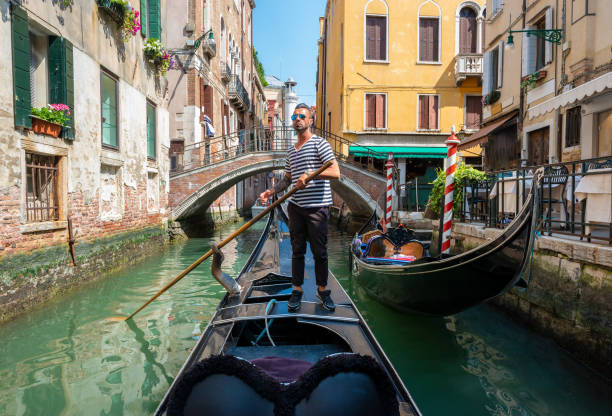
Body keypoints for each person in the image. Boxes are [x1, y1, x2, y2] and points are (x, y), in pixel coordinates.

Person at [260, 103, 340, 312]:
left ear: (310, 121)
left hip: (317, 207)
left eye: (302, 116)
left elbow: (335, 172)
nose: (298, 119)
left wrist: (311, 174)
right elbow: (287, 180)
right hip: (295, 207)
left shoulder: (319, 144)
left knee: (320, 252)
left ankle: (322, 291)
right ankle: (297, 290)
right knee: (297, 251)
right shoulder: (290, 151)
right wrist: (271, 192)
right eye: (295, 116)